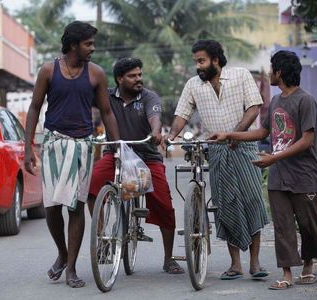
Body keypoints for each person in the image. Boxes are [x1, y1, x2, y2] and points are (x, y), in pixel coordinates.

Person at [210, 50, 317, 290]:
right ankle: (286, 274)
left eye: (272, 69)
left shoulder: (306, 100)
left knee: (308, 225)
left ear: (280, 72)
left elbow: (306, 140)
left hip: (305, 176)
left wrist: (274, 157)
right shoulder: (275, 101)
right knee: (283, 226)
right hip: (279, 177)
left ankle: (307, 265)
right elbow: (262, 133)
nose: (270, 73)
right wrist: (229, 134)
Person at [24, 21, 120, 288]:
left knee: (75, 206)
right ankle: (63, 254)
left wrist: (118, 145)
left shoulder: (96, 74)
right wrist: (27, 147)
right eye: (88, 43)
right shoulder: (48, 70)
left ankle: (72, 269)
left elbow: (107, 112)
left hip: (82, 146)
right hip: (54, 144)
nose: (93, 48)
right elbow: (34, 108)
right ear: (74, 44)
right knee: (52, 207)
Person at [167, 40, 269, 279]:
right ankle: (236, 265)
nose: (198, 66)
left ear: (215, 59)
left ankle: (255, 263)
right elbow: (182, 114)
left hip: (244, 146)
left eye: (201, 61)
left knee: (252, 199)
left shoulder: (240, 75)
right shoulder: (193, 85)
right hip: (217, 151)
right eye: (195, 62)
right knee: (226, 204)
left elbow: (254, 108)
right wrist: (170, 136)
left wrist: (236, 133)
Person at [88, 57, 185, 274]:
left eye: (140, 74)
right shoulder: (107, 96)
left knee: (164, 204)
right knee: (91, 187)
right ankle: (102, 235)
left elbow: (155, 117)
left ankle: (168, 258)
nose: (138, 79)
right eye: (132, 76)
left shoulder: (149, 96)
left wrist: (155, 132)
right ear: (119, 79)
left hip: (147, 157)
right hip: (115, 154)